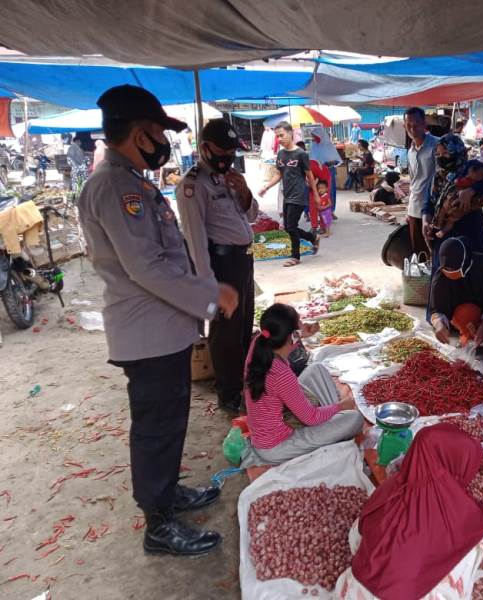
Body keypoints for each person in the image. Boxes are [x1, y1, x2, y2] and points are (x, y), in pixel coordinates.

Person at [78, 85, 240, 556]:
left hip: (161, 329)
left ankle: (166, 494)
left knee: (169, 421)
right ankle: (158, 522)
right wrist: (211, 294)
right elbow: (146, 267)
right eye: (155, 131)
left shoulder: (130, 179)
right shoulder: (114, 186)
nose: (161, 141)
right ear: (137, 133)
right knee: (156, 426)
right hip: (146, 331)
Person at [335, 423, 483, 600]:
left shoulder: (388, 489)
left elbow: (357, 537)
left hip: (352, 592)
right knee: (470, 543)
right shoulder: (457, 510)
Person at [176, 118, 258, 413]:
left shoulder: (230, 178)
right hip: (221, 265)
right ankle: (229, 393)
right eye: (223, 152)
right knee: (225, 331)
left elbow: (251, 216)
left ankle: (240, 380)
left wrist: (245, 193)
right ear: (205, 148)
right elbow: (195, 240)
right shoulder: (192, 186)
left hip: (243, 259)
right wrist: (208, 284)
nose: (228, 158)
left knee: (243, 326)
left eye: (232, 152)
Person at [239, 304, 363, 467]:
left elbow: (285, 337)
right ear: (292, 336)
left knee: (316, 368)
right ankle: (334, 416)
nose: (302, 326)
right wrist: (340, 407)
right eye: (299, 324)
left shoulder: (259, 342)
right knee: (354, 419)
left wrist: (304, 333)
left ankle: (331, 416)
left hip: (278, 419)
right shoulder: (281, 374)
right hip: (275, 447)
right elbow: (310, 418)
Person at [423, 134, 483, 280]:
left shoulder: (471, 169)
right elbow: (429, 203)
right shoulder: (438, 178)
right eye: (439, 154)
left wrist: (471, 190)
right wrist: (425, 220)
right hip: (442, 236)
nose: (441, 157)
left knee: (472, 274)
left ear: (457, 151)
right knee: (443, 276)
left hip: (470, 231)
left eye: (446, 153)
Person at [258, 121, 320, 267]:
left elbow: (309, 175)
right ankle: (313, 237)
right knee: (287, 227)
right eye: (277, 137)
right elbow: (278, 174)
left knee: (291, 226)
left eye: (281, 135)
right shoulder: (280, 154)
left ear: (290, 133)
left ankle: (295, 257)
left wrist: (316, 194)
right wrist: (266, 186)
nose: (279, 139)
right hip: (287, 195)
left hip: (299, 195)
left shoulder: (301, 154)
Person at [430, 237, 483, 348]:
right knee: (467, 314)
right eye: (446, 268)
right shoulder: (441, 276)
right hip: (464, 316)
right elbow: (437, 310)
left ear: (465, 261)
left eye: (454, 268)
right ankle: (468, 335)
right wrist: (440, 326)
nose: (450, 272)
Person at [405, 106, 439, 255]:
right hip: (414, 208)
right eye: (408, 125)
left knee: (435, 253)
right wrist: (408, 209)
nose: (412, 128)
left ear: (424, 124)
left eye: (416, 124)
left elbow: (442, 179)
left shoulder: (437, 146)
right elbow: (413, 182)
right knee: (419, 254)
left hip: (433, 210)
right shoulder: (410, 151)